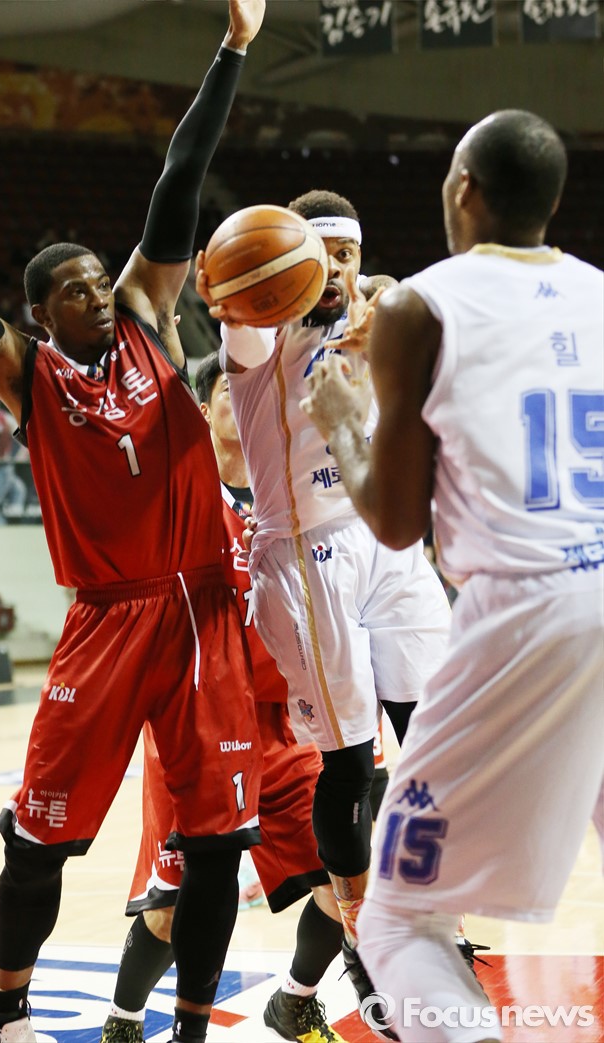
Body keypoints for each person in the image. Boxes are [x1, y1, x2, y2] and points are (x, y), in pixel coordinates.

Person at [0, 8, 265, 1043]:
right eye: (74, 289)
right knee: (40, 840)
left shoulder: (149, 317)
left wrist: (233, 50)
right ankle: (6, 1012)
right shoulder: (27, 376)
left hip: (203, 610)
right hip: (108, 620)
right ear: (39, 312)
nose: (99, 293)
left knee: (218, 844)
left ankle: (189, 1025)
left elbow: (179, 179)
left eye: (102, 279)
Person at [300, 110, 604, 1043]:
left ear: (462, 188)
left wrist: (342, 419)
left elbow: (395, 521)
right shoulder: (598, 291)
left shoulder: (420, 306)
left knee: (397, 919)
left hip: (524, 610)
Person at [196, 189, 454, 1035]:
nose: (336, 269)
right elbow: (244, 306)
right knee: (351, 768)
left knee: (437, 738)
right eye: (320, 254)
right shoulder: (259, 335)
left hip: (389, 538)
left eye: (348, 255)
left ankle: (428, 913)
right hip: (307, 558)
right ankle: (363, 939)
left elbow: (411, 309)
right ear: (291, 264)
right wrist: (230, 288)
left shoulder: (381, 317)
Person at [102, 351, 378, 1043]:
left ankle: (295, 999)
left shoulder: (292, 497)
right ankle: (124, 1020)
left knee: (344, 883)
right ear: (201, 409)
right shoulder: (178, 492)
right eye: (232, 387)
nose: (248, 398)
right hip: (194, 721)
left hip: (283, 725)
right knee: (172, 906)